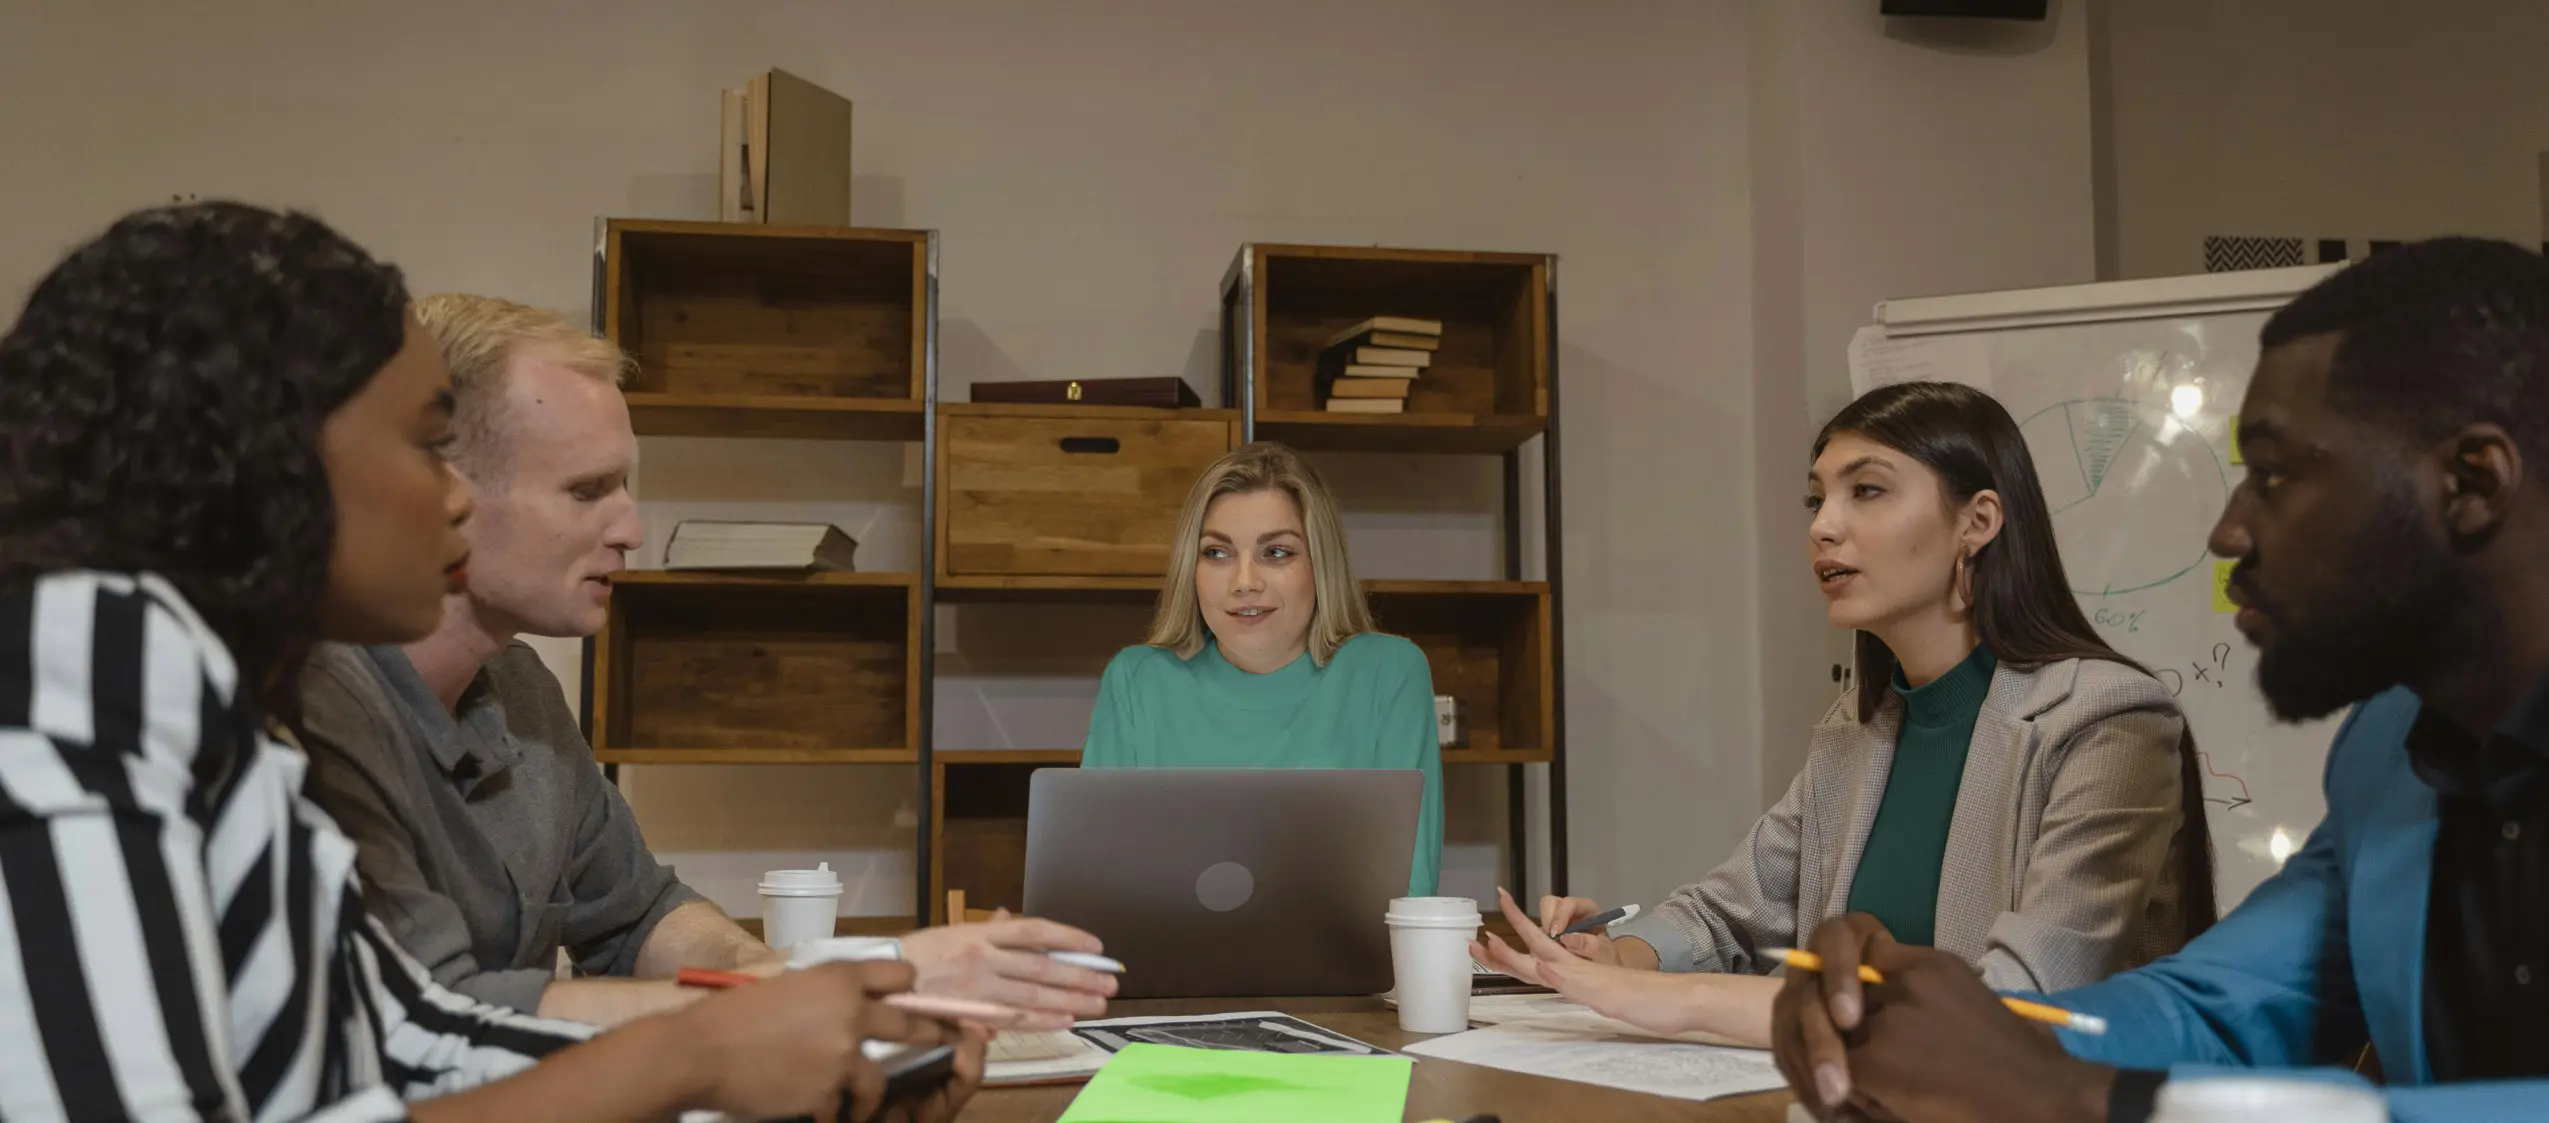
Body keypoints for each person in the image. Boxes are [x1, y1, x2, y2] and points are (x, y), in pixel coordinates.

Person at [0, 201, 975, 1121]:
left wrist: (769, 1034)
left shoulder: (237, 712)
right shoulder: (89, 652)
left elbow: (408, 1039)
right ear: (274, 458)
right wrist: (698, 1053)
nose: (456, 499)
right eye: (424, 444)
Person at [1771, 238, 2549, 1123]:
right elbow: (2215, 1006)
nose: (2227, 533)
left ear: (2471, 483)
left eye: (2273, 475)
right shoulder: (2388, 751)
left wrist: (2076, 1095)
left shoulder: (2106, 711)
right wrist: (1945, 1029)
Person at [297, 293, 1117, 1029]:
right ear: (436, 492)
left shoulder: (520, 688)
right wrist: (834, 987)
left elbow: (639, 915)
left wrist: (789, 991)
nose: (632, 530)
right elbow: (426, 1014)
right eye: (587, 491)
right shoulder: (313, 706)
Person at [1476, 381, 2217, 1048]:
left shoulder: (2107, 721)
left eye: (1866, 491)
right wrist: (1615, 955)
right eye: (1816, 500)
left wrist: (1688, 998)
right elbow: (1727, 913)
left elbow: (2017, 1007)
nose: (1823, 527)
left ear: (1978, 520)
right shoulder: (1858, 726)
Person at [1080, 441, 1444, 895]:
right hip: (1162, 945)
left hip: (1349, 946)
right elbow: (1094, 885)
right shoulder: (1136, 679)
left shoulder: (1389, 672)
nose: (1245, 582)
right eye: (1217, 553)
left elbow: (1413, 892)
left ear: (1320, 563)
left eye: (1276, 553)